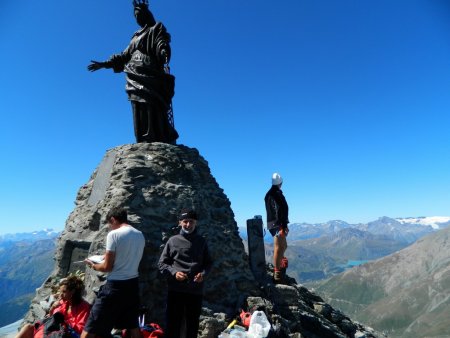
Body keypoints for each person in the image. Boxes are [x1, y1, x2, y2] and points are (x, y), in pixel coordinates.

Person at [87, 0, 178, 144]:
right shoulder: (135, 36)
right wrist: (105, 64)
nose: (137, 18)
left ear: (147, 14)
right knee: (138, 104)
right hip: (133, 74)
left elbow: (161, 41)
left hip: (150, 73)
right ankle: (142, 138)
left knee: (152, 102)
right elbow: (124, 55)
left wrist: (163, 51)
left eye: (139, 14)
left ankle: (157, 136)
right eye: (135, 16)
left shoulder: (155, 28)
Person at [81, 207, 145, 338]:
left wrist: (93, 265)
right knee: (133, 325)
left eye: (109, 224)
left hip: (115, 287)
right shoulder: (139, 234)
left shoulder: (114, 234)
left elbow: (107, 267)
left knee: (91, 325)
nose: (110, 227)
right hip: (132, 285)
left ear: (113, 219)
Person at [158, 209, 213, 338]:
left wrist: (203, 274)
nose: (188, 225)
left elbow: (208, 263)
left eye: (191, 222)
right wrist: (174, 273)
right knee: (173, 323)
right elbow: (162, 264)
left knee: (192, 325)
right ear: (180, 222)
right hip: (176, 290)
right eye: (185, 221)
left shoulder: (201, 241)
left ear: (196, 223)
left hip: (195, 290)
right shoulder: (172, 241)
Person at [16, 275, 91, 338]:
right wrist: (52, 308)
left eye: (64, 292)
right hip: (52, 330)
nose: (60, 294)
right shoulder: (64, 302)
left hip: (63, 334)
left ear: (72, 292)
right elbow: (52, 317)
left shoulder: (83, 307)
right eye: (60, 291)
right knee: (28, 327)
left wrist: (64, 323)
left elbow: (81, 329)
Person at [264, 173, 289, 283]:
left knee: (283, 246)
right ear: (281, 183)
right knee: (279, 247)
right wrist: (283, 225)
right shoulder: (275, 194)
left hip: (275, 224)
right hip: (277, 224)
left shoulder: (271, 194)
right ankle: (277, 273)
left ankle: (281, 264)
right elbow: (279, 210)